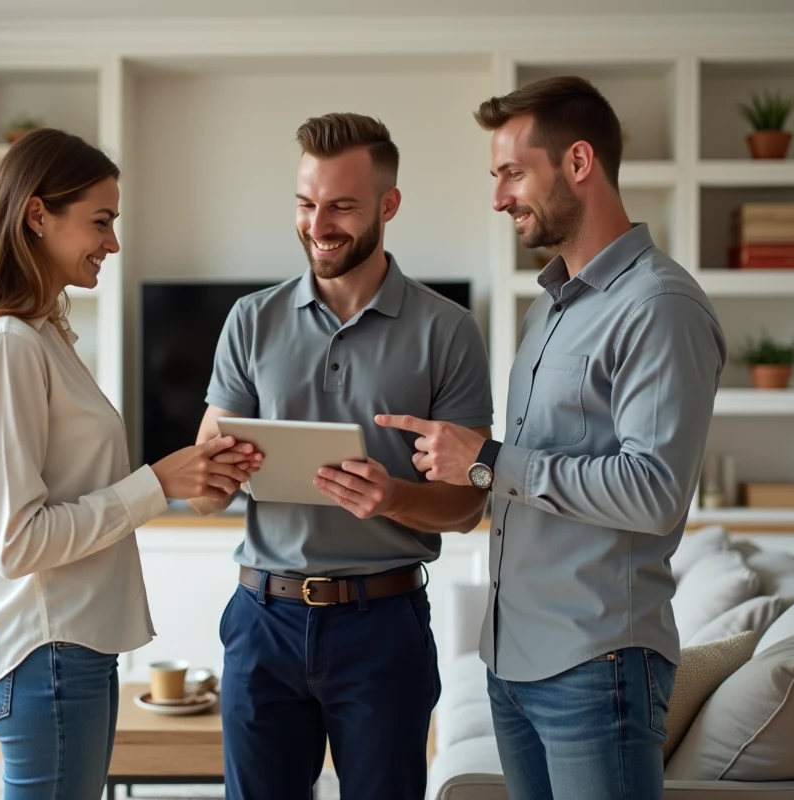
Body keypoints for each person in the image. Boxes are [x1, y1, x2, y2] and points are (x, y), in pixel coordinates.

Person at [377, 76, 728, 799]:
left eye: (512, 173)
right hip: (514, 662)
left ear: (577, 163)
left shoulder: (659, 306)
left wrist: (489, 461)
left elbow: (655, 492)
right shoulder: (552, 309)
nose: (500, 197)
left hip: (596, 666)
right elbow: (521, 477)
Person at [0, 128, 262, 800]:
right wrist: (155, 484)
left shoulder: (44, 334)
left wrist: (180, 477)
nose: (112, 242)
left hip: (72, 651)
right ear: (37, 215)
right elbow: (17, 542)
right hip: (44, 656)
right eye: (100, 222)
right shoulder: (7, 347)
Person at [188, 112, 494, 800]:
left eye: (341, 207)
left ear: (389, 206)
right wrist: (213, 472)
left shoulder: (448, 332)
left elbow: (470, 505)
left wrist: (394, 497)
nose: (317, 224)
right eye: (305, 203)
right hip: (262, 618)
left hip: (381, 628)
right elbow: (206, 494)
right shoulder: (250, 321)